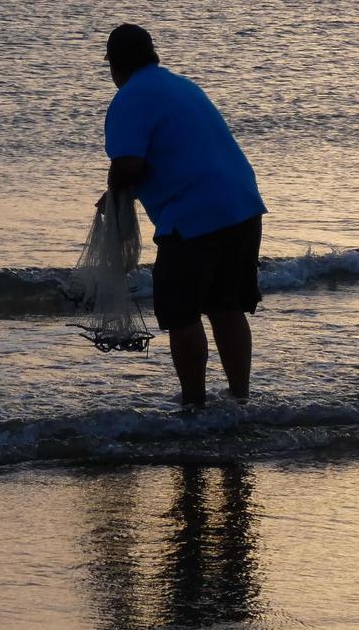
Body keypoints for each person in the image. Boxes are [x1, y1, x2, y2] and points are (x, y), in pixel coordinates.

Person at [101, 24, 266, 408]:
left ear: (115, 66)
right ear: (151, 55)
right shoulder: (180, 86)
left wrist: (115, 196)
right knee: (227, 307)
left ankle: (194, 405)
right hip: (241, 204)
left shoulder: (128, 99)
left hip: (194, 216)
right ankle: (239, 401)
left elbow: (127, 167)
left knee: (181, 313)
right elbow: (176, 153)